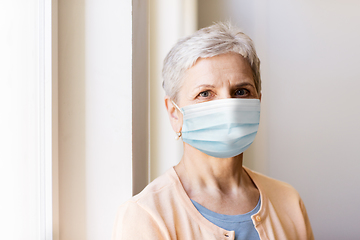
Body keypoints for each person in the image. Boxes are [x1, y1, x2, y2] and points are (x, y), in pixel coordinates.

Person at [112, 22, 314, 240]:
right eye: (205, 94)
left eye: (241, 91)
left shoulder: (288, 200)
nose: (229, 106)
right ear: (174, 113)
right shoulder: (146, 215)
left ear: (258, 102)